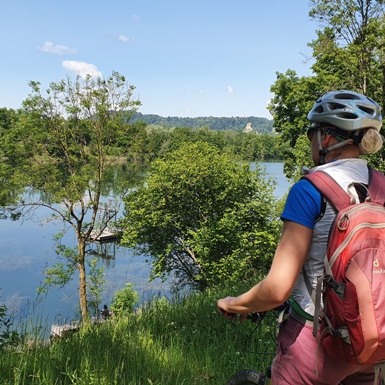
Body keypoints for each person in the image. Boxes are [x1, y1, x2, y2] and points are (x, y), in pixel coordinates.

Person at [217, 90, 384, 385]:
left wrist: (234, 303)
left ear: (327, 138)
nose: (310, 142)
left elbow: (276, 290)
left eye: (311, 134)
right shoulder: (382, 185)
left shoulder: (309, 190)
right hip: (371, 340)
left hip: (316, 343)